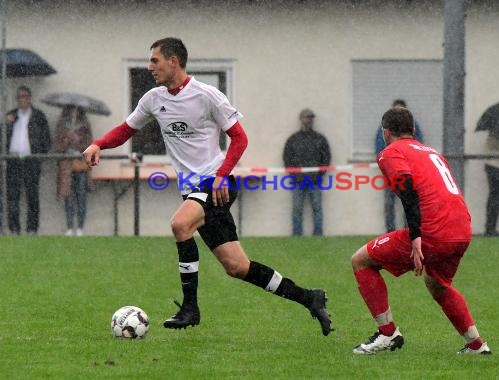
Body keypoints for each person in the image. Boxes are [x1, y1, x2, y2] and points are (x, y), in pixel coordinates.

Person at [83, 37, 332, 336]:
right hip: (194, 190)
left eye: (155, 61)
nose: (150, 67)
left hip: (217, 182)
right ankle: (309, 297)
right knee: (237, 266)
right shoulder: (153, 99)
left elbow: (240, 138)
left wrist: (221, 175)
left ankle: (190, 309)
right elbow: (126, 130)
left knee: (179, 224)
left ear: (173, 61)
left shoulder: (207, 96)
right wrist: (98, 144)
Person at [351, 106, 491, 355]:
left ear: (385, 132)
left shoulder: (390, 152)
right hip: (462, 228)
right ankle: (477, 345)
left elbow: (407, 190)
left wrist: (416, 236)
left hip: (433, 231)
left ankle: (387, 335)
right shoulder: (430, 151)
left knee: (361, 261)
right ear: (412, 130)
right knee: (438, 284)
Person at [5, 86, 51, 235]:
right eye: (19, 97)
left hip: (31, 160)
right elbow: (3, 138)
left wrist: (39, 156)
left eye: (24, 96)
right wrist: (6, 124)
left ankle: (32, 229)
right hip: (13, 160)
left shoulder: (38, 116)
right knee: (13, 196)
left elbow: (46, 139)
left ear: (30, 98)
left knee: (32, 196)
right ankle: (14, 229)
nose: (22, 100)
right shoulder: (11, 116)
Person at [375, 99, 424, 232]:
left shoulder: (414, 128)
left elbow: (417, 145)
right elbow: (380, 146)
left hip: (409, 172)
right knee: (389, 203)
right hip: (391, 172)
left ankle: (408, 229)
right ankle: (390, 231)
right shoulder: (385, 129)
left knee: (409, 201)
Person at [282, 108, 331, 236]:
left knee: (317, 208)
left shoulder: (320, 139)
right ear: (301, 119)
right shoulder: (293, 139)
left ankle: (318, 234)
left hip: (315, 180)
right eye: (306, 117)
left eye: (310, 118)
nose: (308, 120)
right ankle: (297, 234)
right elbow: (287, 158)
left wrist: (319, 174)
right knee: (297, 209)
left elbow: (326, 158)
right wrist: (294, 174)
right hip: (298, 181)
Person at [55, 106, 93, 237]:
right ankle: (69, 226)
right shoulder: (62, 125)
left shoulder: (85, 126)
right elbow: (57, 146)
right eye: (72, 110)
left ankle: (81, 227)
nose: (74, 113)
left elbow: (91, 146)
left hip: (81, 164)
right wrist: (67, 140)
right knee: (68, 196)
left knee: (81, 195)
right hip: (66, 165)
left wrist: (79, 142)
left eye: (77, 110)